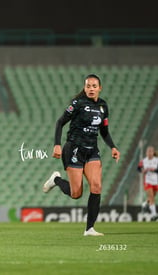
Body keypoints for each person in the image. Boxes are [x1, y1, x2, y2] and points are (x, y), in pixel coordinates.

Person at [42, 74, 120, 236]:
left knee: (97, 186)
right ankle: (56, 179)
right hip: (74, 149)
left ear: (100, 88)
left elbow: (104, 131)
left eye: (94, 86)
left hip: (92, 150)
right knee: (76, 193)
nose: (91, 89)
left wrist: (113, 147)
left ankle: (89, 229)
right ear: (84, 88)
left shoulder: (103, 106)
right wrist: (57, 144)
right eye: (88, 86)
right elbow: (60, 122)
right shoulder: (77, 104)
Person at [137, 145, 158, 220]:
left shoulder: (156, 160)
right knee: (152, 197)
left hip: (155, 181)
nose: (149, 153)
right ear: (146, 153)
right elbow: (138, 168)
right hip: (148, 181)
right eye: (148, 151)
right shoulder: (143, 161)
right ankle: (154, 214)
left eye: (151, 151)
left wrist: (154, 170)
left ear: (153, 152)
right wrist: (143, 171)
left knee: (152, 197)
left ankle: (145, 203)